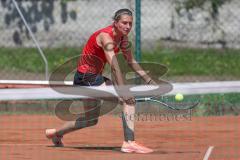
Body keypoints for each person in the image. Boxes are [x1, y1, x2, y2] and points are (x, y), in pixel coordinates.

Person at [46, 8, 156, 154]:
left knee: (91, 120)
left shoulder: (123, 38)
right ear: (115, 23)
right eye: (124, 23)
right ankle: (129, 143)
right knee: (128, 101)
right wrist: (123, 91)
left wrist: (149, 81)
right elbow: (115, 66)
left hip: (90, 77)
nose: (128, 27)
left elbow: (131, 61)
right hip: (86, 78)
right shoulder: (106, 36)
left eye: (130, 24)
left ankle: (56, 134)